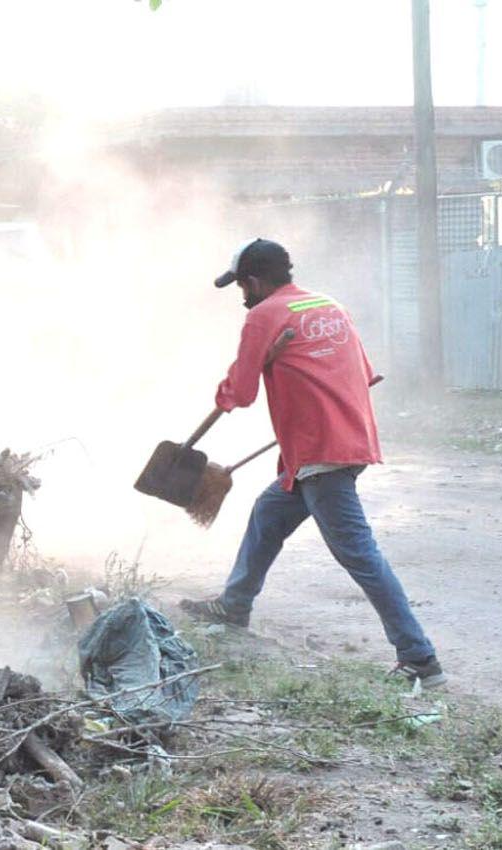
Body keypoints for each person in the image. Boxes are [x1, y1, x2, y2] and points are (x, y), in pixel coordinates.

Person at [179, 238, 444, 688]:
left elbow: (240, 394)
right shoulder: (329, 305)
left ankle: (420, 658)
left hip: (321, 452)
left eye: (242, 286)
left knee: (358, 553)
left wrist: (224, 394)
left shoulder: (263, 315)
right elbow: (364, 375)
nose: (242, 296)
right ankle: (235, 605)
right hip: (346, 439)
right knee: (268, 512)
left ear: (255, 281)